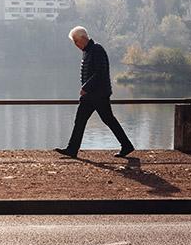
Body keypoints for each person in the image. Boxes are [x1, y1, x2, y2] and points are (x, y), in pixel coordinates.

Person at [54, 26, 134, 158]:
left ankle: (126, 145)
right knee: (81, 120)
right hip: (91, 95)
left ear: (84, 38)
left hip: (99, 94)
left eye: (76, 41)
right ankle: (72, 149)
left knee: (107, 119)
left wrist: (85, 87)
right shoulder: (88, 51)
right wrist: (86, 89)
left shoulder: (97, 49)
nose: (75, 45)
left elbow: (100, 72)